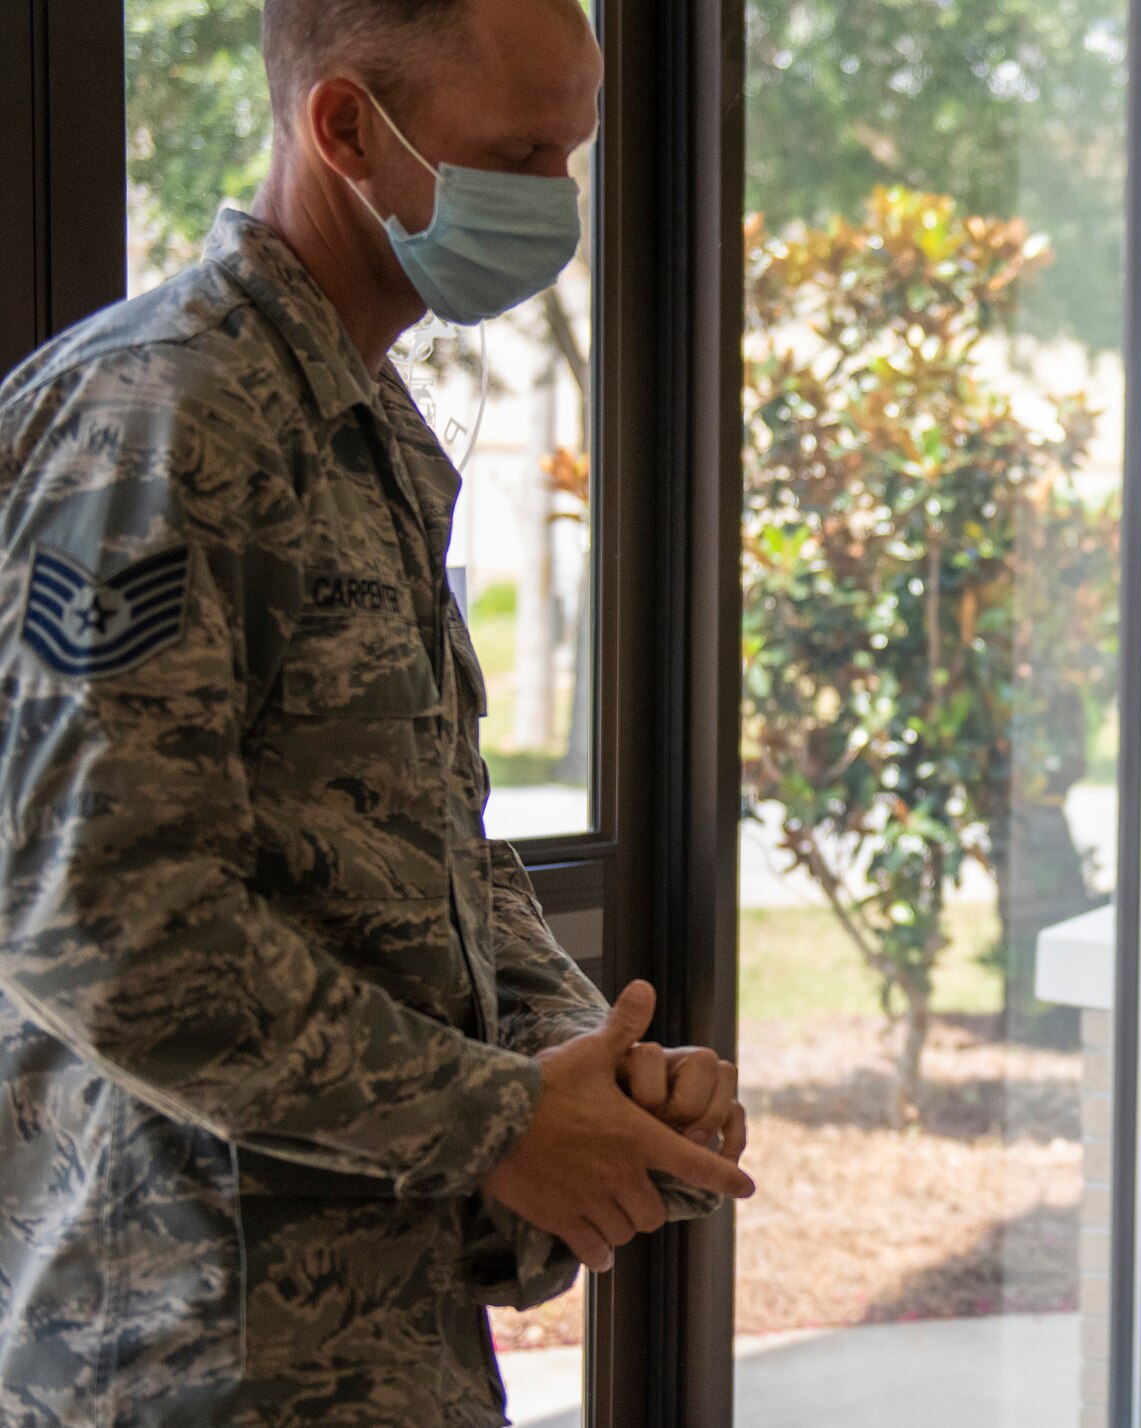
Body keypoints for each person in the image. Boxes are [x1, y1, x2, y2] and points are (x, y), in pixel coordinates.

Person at [0, 1, 753, 1424]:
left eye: (569, 155)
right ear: (347, 128)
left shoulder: (360, 418)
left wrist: (589, 1071)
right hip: (187, 1358)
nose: (554, 205)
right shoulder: (159, 423)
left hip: (383, 1336)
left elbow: (423, 852)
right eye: (520, 154)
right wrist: (498, 1120)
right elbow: (97, 919)